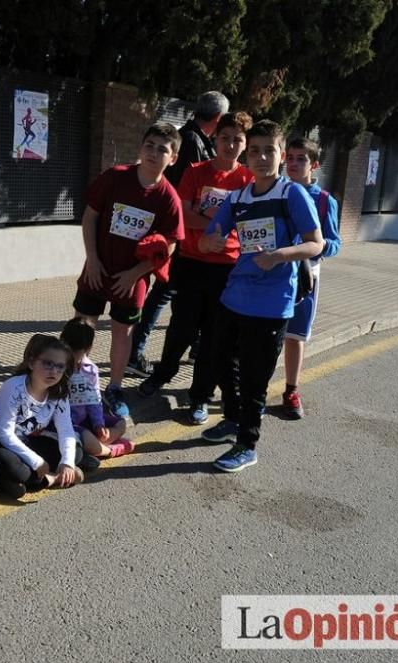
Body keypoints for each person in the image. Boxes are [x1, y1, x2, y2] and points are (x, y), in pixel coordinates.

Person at [198, 120, 324, 472]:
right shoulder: (237, 197)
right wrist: (213, 241)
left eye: (269, 150)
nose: (261, 157)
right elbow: (208, 238)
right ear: (247, 155)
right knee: (218, 361)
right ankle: (233, 420)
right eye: (254, 150)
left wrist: (279, 256)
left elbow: (317, 243)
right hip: (234, 295)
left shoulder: (291, 194)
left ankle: (247, 444)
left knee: (255, 377)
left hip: (272, 303)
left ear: (281, 155)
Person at [138, 112, 254, 425]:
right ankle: (162, 375)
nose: (230, 144)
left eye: (237, 140)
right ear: (215, 139)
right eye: (225, 137)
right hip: (190, 263)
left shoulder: (247, 179)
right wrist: (215, 230)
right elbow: (184, 215)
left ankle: (200, 396)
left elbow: (249, 224)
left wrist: (220, 235)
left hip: (227, 269)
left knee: (213, 338)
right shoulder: (195, 172)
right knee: (181, 328)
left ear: (244, 145)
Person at [73, 122, 184, 418]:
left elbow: (170, 245)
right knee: (83, 325)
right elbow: (90, 218)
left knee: (123, 334)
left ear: (172, 158)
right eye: (149, 145)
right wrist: (92, 259)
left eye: (162, 149)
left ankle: (115, 388)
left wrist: (136, 273)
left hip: (132, 279)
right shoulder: (115, 177)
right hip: (97, 269)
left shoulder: (168, 198)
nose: (153, 152)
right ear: (140, 147)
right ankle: (73, 379)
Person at [128, 91, 230, 377]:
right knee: (164, 291)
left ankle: (194, 344)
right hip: (179, 235)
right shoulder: (193, 144)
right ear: (219, 119)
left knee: (177, 293)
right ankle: (134, 352)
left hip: (180, 233)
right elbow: (186, 197)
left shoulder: (189, 138)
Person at [0, 335, 84, 499]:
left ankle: (20, 481)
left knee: (77, 452)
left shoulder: (59, 392)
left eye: (60, 367)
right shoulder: (14, 387)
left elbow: (66, 429)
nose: (54, 371)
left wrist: (67, 462)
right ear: (32, 363)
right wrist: (36, 461)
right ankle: (48, 479)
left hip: (26, 438)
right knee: (14, 467)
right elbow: (5, 434)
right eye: (47, 363)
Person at [281, 137, 341, 419]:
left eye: (301, 159)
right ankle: (250, 387)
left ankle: (291, 390)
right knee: (265, 335)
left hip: (305, 277)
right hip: (272, 273)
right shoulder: (274, 191)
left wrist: (314, 248)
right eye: (290, 157)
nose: (293, 163)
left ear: (314, 164)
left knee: (295, 336)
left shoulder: (325, 200)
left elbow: (334, 242)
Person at [59, 317, 135, 468]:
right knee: (85, 437)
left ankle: (96, 445)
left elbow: (94, 401)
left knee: (121, 423)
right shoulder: (57, 367)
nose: (72, 357)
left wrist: (98, 424)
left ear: (88, 349)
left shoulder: (90, 370)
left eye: (77, 353)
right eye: (69, 351)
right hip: (65, 423)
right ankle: (108, 450)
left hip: (85, 419)